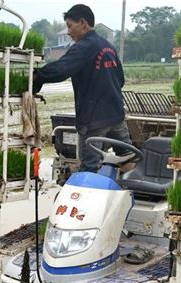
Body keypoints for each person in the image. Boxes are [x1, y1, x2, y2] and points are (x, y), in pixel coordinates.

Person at [33, 4, 131, 172]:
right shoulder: (108, 46)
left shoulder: (84, 47)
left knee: (89, 167)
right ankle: (132, 192)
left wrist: (37, 76)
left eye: (70, 26)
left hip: (94, 120)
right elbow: (120, 79)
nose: (69, 32)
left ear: (83, 23)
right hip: (116, 115)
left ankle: (91, 195)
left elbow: (61, 69)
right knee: (127, 156)